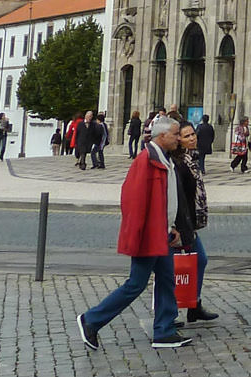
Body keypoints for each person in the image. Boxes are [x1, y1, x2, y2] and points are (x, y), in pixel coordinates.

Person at [75, 115, 192, 351]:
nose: (179, 138)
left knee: (167, 281)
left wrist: (171, 227)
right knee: (135, 285)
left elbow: (165, 199)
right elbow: (134, 202)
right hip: (149, 236)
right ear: (162, 136)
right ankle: (91, 320)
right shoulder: (145, 160)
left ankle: (164, 331)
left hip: (162, 234)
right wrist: (137, 236)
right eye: (175, 134)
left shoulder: (163, 158)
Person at [175, 121, 218, 324]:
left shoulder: (193, 158)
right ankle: (171, 313)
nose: (192, 138)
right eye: (187, 136)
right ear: (179, 140)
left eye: (193, 134)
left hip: (190, 223)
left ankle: (194, 305)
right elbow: (180, 197)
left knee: (199, 260)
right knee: (172, 269)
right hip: (182, 224)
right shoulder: (180, 163)